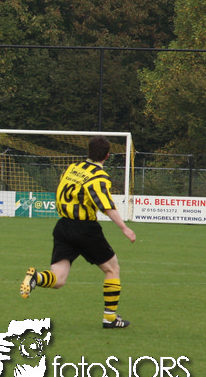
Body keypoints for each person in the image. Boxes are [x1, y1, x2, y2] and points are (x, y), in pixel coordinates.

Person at [20, 135, 137, 329]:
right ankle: (110, 318)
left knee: (58, 279)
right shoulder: (99, 177)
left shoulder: (72, 168)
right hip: (85, 229)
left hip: (63, 226)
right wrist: (124, 228)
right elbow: (106, 204)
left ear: (88, 152)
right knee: (112, 269)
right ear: (107, 156)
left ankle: (36, 277)